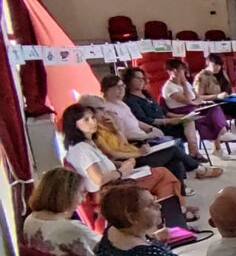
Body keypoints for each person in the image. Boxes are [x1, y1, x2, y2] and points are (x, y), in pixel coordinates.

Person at [61, 104, 197, 222]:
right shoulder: (81, 149)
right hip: (110, 190)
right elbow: (99, 179)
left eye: (93, 117)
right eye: (86, 120)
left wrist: (121, 165)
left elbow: (105, 165)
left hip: (116, 182)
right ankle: (174, 216)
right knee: (163, 174)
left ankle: (176, 211)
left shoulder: (87, 143)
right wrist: (122, 171)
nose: (93, 122)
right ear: (74, 125)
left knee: (171, 166)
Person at [81, 94, 217, 190]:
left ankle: (179, 197)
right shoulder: (94, 132)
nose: (105, 112)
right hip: (130, 160)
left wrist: (116, 129)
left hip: (135, 151)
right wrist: (139, 153)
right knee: (174, 150)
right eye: (100, 109)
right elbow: (112, 154)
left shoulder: (106, 124)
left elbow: (123, 144)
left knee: (174, 161)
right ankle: (198, 169)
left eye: (104, 108)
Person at [24, 167, 101, 256]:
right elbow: (114, 254)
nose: (83, 200)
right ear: (67, 194)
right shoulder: (70, 229)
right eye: (81, 193)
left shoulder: (31, 219)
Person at [121, 66, 203, 159]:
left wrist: (180, 117)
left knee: (189, 120)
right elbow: (145, 120)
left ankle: (194, 153)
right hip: (155, 128)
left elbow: (164, 112)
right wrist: (170, 121)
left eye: (142, 78)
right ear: (129, 80)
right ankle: (193, 155)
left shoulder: (146, 94)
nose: (141, 81)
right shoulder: (130, 100)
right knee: (186, 125)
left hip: (166, 123)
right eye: (137, 78)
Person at [161, 59, 236, 152]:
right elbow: (187, 100)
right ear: (170, 71)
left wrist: (195, 101)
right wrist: (184, 86)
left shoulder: (186, 83)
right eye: (178, 70)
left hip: (194, 106)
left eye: (182, 69)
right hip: (182, 111)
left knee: (214, 107)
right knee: (208, 115)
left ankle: (222, 135)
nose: (181, 72)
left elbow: (198, 96)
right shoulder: (169, 87)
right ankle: (219, 143)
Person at [193, 53, 236, 150]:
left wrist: (231, 94)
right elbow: (198, 97)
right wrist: (217, 96)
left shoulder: (222, 73)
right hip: (212, 105)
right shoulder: (201, 77)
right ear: (208, 64)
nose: (217, 67)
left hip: (225, 102)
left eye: (219, 65)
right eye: (215, 65)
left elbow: (229, 89)